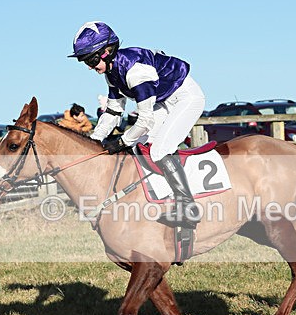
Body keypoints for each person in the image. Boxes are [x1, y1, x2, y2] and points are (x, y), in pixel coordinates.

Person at [69, 21, 206, 228]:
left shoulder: (135, 71)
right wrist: (94, 141)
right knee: (139, 148)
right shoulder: (112, 73)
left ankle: (189, 209)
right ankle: (157, 199)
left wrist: (121, 142)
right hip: (163, 102)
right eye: (85, 62)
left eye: (91, 60)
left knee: (159, 151)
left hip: (186, 98)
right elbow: (114, 111)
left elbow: (145, 120)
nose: (89, 66)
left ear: (107, 51)